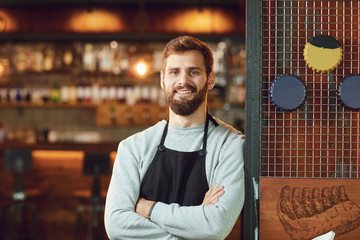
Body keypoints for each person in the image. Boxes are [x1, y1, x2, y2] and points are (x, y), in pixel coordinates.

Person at [104, 35, 245, 240]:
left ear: (211, 79)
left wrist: (149, 209)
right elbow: (117, 225)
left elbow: (215, 225)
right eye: (174, 72)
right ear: (163, 79)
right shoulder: (133, 147)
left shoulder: (230, 145)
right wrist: (195, 228)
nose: (183, 81)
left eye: (193, 72)